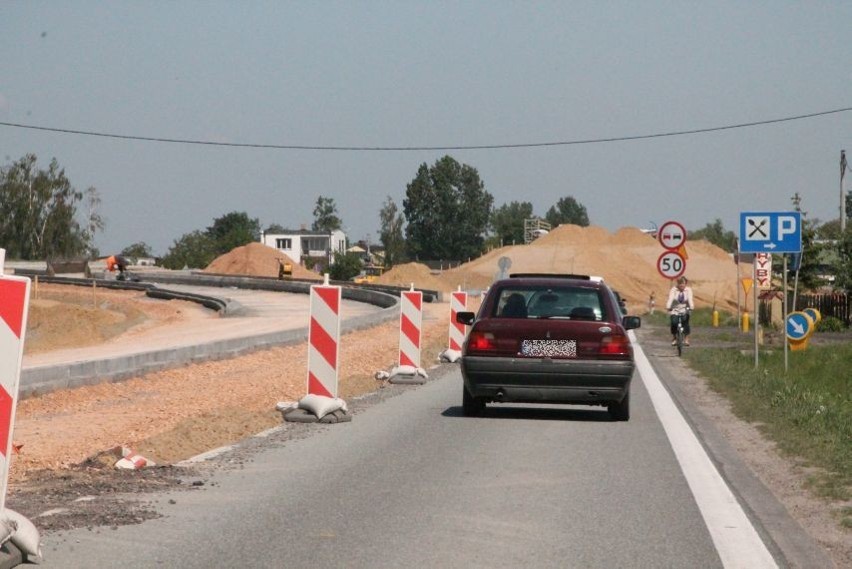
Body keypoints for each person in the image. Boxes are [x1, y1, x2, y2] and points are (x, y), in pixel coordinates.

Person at [667, 276, 695, 346]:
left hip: (685, 309)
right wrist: (668, 306)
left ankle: (686, 338)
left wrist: (691, 307)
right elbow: (670, 298)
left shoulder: (688, 290)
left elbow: (690, 299)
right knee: (674, 322)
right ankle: (674, 338)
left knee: (685, 322)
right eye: (680, 283)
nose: (681, 285)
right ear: (678, 284)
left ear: (686, 284)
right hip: (675, 309)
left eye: (683, 283)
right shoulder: (674, 289)